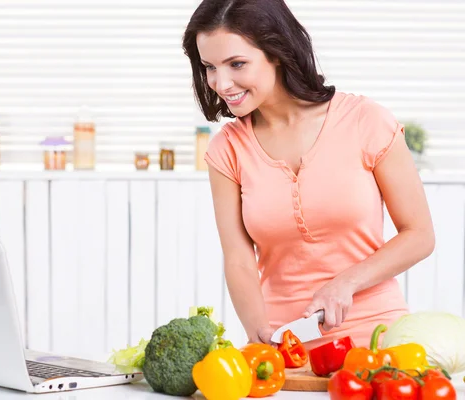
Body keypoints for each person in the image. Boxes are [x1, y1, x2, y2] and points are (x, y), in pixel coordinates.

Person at [182, 0, 435, 350]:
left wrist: (345, 282)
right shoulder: (227, 149)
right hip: (287, 344)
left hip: (379, 339)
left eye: (237, 64)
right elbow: (239, 260)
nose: (221, 83)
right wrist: (260, 335)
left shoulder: (365, 120)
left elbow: (419, 234)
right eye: (209, 67)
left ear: (277, 52)